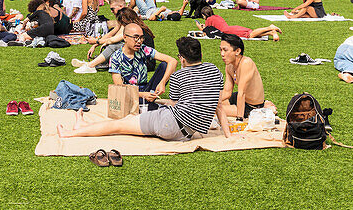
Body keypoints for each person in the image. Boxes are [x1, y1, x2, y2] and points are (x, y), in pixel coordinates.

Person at [61, 36, 229, 141]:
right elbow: (218, 105)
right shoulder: (214, 70)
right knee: (127, 122)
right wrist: (228, 135)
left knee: (120, 124)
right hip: (186, 134)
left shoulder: (179, 76)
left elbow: (176, 105)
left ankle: (74, 132)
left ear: (183, 58)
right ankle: (81, 126)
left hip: (169, 125)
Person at [107, 22, 178, 107]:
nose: (139, 41)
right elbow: (120, 88)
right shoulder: (116, 58)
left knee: (164, 66)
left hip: (146, 89)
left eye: (141, 38)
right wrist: (142, 95)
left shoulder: (143, 49)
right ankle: (149, 102)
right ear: (125, 37)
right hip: (129, 94)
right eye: (136, 38)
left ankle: (150, 100)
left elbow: (173, 61)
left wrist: (162, 82)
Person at [219, 34, 272, 117]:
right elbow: (227, 92)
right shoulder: (229, 66)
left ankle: (264, 108)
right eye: (221, 50)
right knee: (212, 103)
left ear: (237, 51)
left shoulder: (246, 63)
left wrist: (239, 119)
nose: (222, 54)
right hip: (238, 98)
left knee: (216, 109)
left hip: (252, 106)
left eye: (225, 50)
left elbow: (242, 93)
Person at [197, 5, 281, 41]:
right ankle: (271, 32)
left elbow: (206, 32)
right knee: (251, 33)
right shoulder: (216, 16)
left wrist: (200, 27)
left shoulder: (208, 19)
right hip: (231, 28)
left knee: (250, 35)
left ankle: (270, 27)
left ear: (204, 15)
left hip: (228, 31)